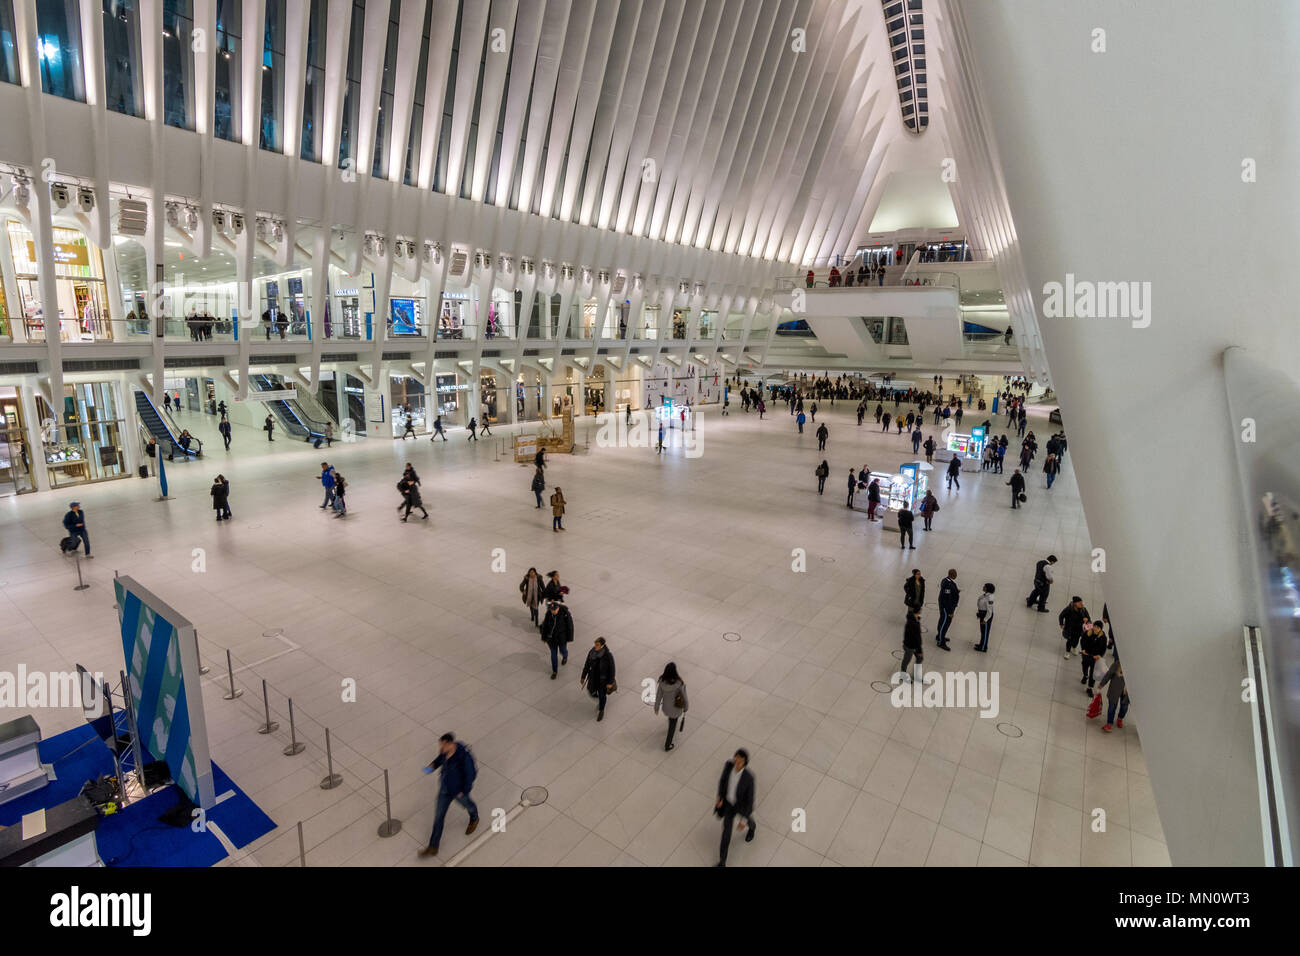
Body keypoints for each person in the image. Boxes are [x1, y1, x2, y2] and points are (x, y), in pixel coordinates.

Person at [418, 733, 480, 857]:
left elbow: (471, 774)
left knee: (468, 805)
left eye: (442, 746)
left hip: (458, 792)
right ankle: (433, 846)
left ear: (450, 744)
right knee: (438, 817)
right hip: (444, 790)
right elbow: (440, 759)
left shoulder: (463, 756)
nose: (440, 748)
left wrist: (465, 791)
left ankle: (474, 818)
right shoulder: (445, 752)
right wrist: (432, 766)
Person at [714, 749, 756, 866]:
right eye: (736, 758)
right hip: (728, 805)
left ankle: (752, 828)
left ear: (745, 763)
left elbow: (750, 801)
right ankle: (722, 861)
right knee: (726, 833)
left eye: (740, 761)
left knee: (748, 821)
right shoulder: (728, 766)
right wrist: (720, 797)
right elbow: (722, 782)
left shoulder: (749, 779)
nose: (736, 762)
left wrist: (743, 820)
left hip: (740, 806)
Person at [654, 662, 689, 751]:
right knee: (672, 726)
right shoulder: (679, 684)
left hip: (666, 708)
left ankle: (670, 720)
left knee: (671, 718)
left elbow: (658, 696)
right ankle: (667, 745)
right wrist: (686, 707)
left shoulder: (662, 682)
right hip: (676, 708)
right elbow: (684, 697)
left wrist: (656, 707)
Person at [579, 637, 616, 721]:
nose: (595, 646)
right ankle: (601, 700)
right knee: (591, 692)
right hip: (593, 677)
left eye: (597, 645)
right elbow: (587, 665)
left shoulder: (608, 655)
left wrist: (610, 682)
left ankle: (601, 710)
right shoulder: (592, 652)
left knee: (602, 695)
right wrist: (583, 676)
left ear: (602, 645)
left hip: (603, 680)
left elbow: (612, 669)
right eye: (595, 644)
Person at [540, 600, 574, 678]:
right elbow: (545, 626)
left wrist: (570, 638)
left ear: (558, 608)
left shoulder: (565, 613)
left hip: (562, 638)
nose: (553, 611)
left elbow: (570, 626)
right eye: (552, 610)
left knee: (563, 650)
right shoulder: (548, 614)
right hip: (552, 639)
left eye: (554, 609)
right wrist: (544, 637)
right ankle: (554, 671)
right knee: (553, 655)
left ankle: (565, 656)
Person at [1098, 659, 1130, 732]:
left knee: (1124, 706)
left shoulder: (1135, 667)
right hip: (1115, 688)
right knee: (1112, 706)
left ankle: (1120, 718)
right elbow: (1109, 674)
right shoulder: (1117, 664)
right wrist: (1101, 684)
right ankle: (1109, 723)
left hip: (1127, 690)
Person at [1080, 620, 1108, 694]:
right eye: (1095, 626)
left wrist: (1099, 655)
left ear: (1100, 629)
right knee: (1084, 667)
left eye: (1098, 627)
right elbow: (1082, 641)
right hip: (1086, 655)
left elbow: (1104, 648)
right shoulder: (1088, 633)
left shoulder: (1103, 637)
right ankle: (1085, 675)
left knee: (1093, 672)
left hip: (1094, 658)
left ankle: (1090, 688)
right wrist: (1083, 649)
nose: (1095, 628)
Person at [898, 609, 924, 683]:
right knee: (907, 660)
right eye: (919, 611)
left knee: (919, 658)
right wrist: (919, 650)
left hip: (912, 645)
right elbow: (916, 637)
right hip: (910, 646)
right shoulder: (913, 623)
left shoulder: (914, 620)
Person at [936, 569, 959, 649]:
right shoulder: (948, 584)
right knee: (944, 624)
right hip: (946, 608)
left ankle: (940, 635)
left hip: (944, 606)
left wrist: (956, 591)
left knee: (942, 621)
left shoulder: (945, 580)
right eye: (955, 573)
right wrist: (950, 611)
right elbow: (947, 598)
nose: (956, 575)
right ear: (952, 574)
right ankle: (941, 642)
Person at [973, 583, 995, 652]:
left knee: (985, 632)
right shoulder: (985, 595)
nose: (983, 587)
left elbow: (989, 611)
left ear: (987, 588)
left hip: (986, 616)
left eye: (984, 587)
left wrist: (985, 620)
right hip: (982, 614)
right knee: (982, 631)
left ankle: (983, 647)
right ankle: (981, 644)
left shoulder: (990, 598)